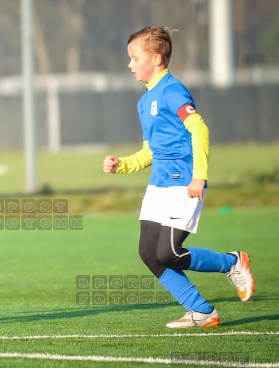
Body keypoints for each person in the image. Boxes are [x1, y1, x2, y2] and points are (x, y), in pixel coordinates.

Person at [102, 26, 255, 328]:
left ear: (156, 58)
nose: (130, 64)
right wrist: (122, 165)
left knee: (168, 252)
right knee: (149, 253)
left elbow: (200, 130)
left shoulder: (172, 91)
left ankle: (232, 261)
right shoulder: (144, 101)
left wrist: (199, 176)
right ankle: (201, 311)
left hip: (184, 182)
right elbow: (149, 152)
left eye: (135, 58)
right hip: (158, 185)